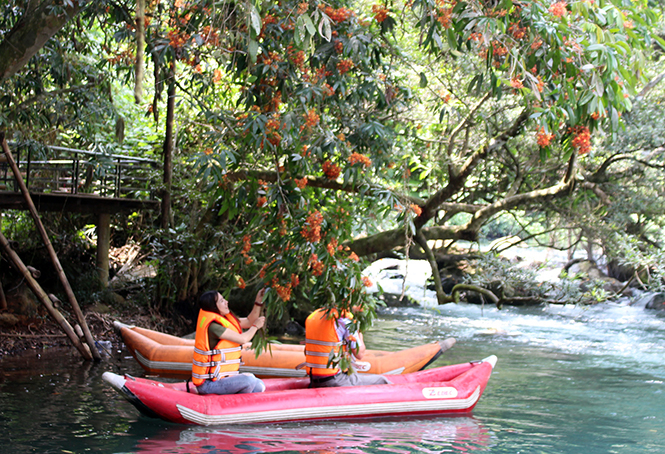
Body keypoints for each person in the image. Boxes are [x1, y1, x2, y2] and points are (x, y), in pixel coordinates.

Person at [192, 288, 267, 394]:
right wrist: (255, 327)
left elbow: (250, 321)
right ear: (214, 307)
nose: (226, 302)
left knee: (259, 385)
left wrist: (258, 301)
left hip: (221, 379)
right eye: (221, 301)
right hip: (209, 384)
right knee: (249, 381)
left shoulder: (224, 320)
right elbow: (243, 339)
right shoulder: (214, 327)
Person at [303, 307, 391, 388]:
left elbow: (306, 351)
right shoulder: (344, 319)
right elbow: (359, 354)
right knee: (382, 380)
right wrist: (360, 335)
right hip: (336, 380)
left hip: (314, 379)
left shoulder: (313, 316)